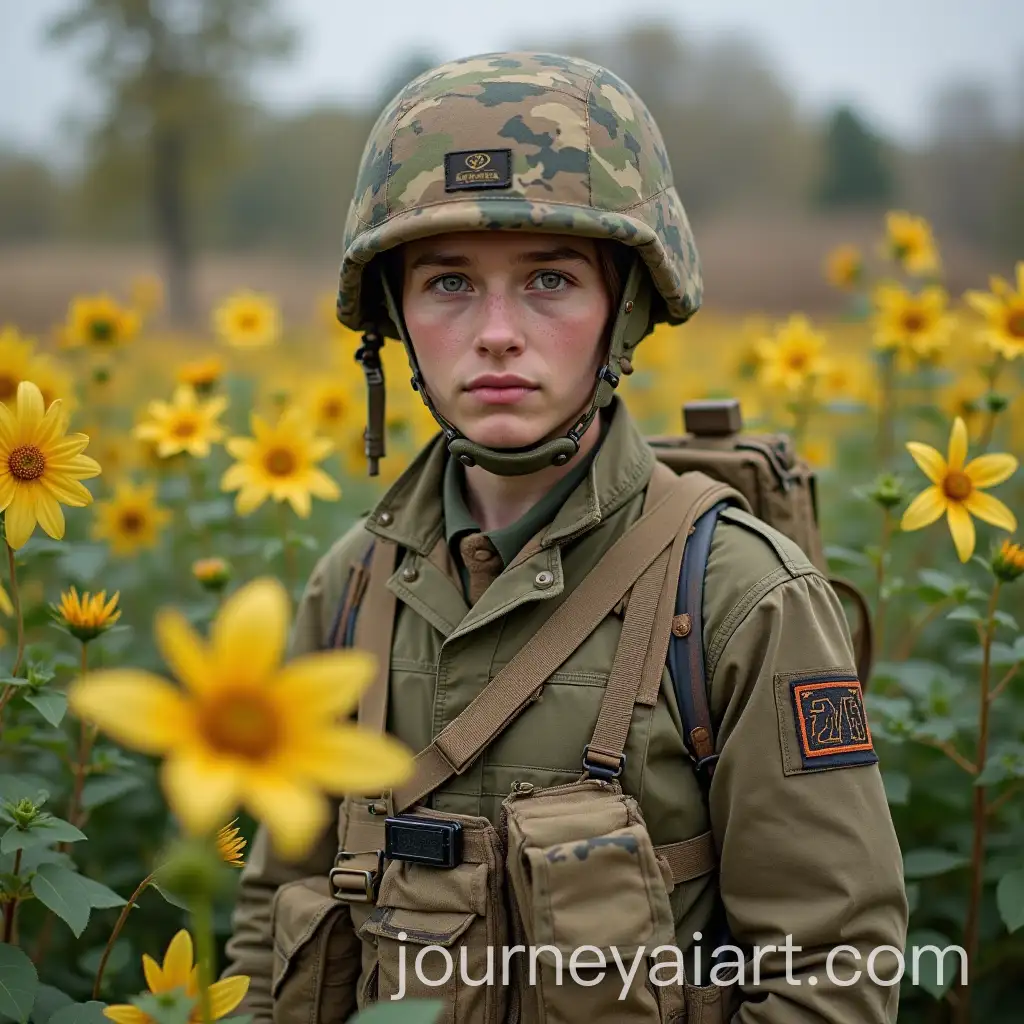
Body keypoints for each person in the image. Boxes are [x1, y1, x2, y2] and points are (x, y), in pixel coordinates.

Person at [222, 51, 908, 1024]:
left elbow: (833, 974)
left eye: (549, 278)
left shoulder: (737, 595)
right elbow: (269, 928)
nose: (497, 332)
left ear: (623, 307)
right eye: (448, 282)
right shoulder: (350, 591)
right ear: (395, 317)